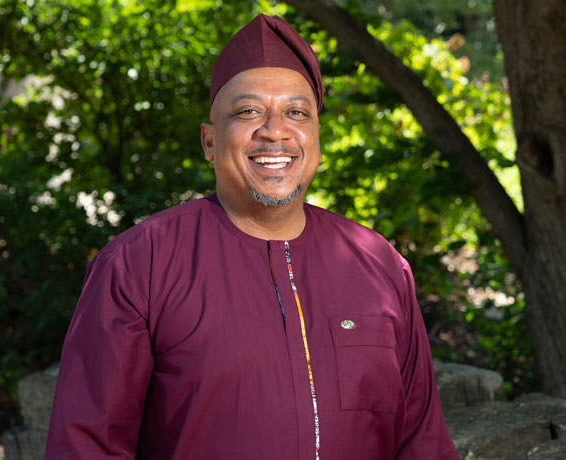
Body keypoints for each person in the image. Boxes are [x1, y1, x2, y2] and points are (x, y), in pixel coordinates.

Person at [45, 13, 459, 460]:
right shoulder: (138, 265)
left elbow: (423, 442)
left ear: (317, 137)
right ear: (209, 141)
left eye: (296, 113)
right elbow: (87, 447)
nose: (274, 131)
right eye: (248, 112)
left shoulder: (379, 265)